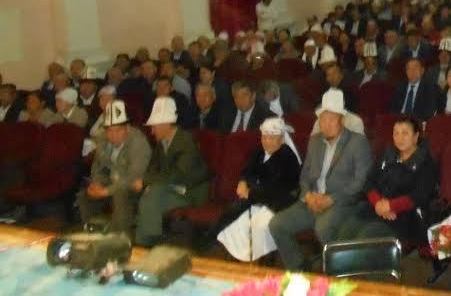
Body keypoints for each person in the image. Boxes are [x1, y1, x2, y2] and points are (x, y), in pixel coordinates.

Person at [269, 89, 372, 270]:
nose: (326, 124)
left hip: (342, 202)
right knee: (277, 224)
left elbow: (360, 182)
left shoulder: (357, 142)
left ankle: (341, 271)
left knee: (322, 228)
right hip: (313, 201)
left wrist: (331, 199)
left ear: (341, 119)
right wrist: (308, 195)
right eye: (323, 119)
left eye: (332, 119)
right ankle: (299, 268)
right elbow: (305, 175)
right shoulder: (315, 141)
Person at [211, 117, 302, 261]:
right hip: (257, 198)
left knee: (254, 225)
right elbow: (248, 170)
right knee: (232, 220)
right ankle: (232, 259)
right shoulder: (260, 150)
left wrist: (250, 193)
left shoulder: (287, 157)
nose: (267, 141)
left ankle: (260, 261)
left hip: (278, 203)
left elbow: (276, 189)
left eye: (272, 138)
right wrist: (243, 181)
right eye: (264, 137)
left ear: (281, 139)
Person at [337, 115, 437, 244]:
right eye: (396, 133)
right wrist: (378, 204)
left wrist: (390, 205)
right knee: (345, 230)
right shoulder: (388, 153)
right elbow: (369, 182)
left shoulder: (425, 162)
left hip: (404, 217)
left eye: (405, 133)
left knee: (364, 236)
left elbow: (420, 196)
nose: (399, 138)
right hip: (377, 208)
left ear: (416, 136)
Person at [133, 97, 210, 247]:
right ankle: (148, 240)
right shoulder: (161, 143)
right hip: (170, 188)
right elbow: (152, 168)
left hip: (190, 192)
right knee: (151, 194)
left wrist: (147, 181)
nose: (152, 131)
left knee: (153, 195)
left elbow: (177, 175)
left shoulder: (185, 141)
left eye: (154, 127)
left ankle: (146, 243)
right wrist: (147, 182)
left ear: (166, 124)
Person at [77, 99, 152, 233]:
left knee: (120, 195)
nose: (113, 135)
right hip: (112, 181)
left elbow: (133, 176)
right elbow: (97, 166)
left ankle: (120, 236)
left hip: (133, 187)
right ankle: (92, 232)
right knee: (84, 195)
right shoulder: (103, 139)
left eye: (118, 130)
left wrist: (106, 191)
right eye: (109, 131)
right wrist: (96, 183)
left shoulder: (138, 142)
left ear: (126, 128)